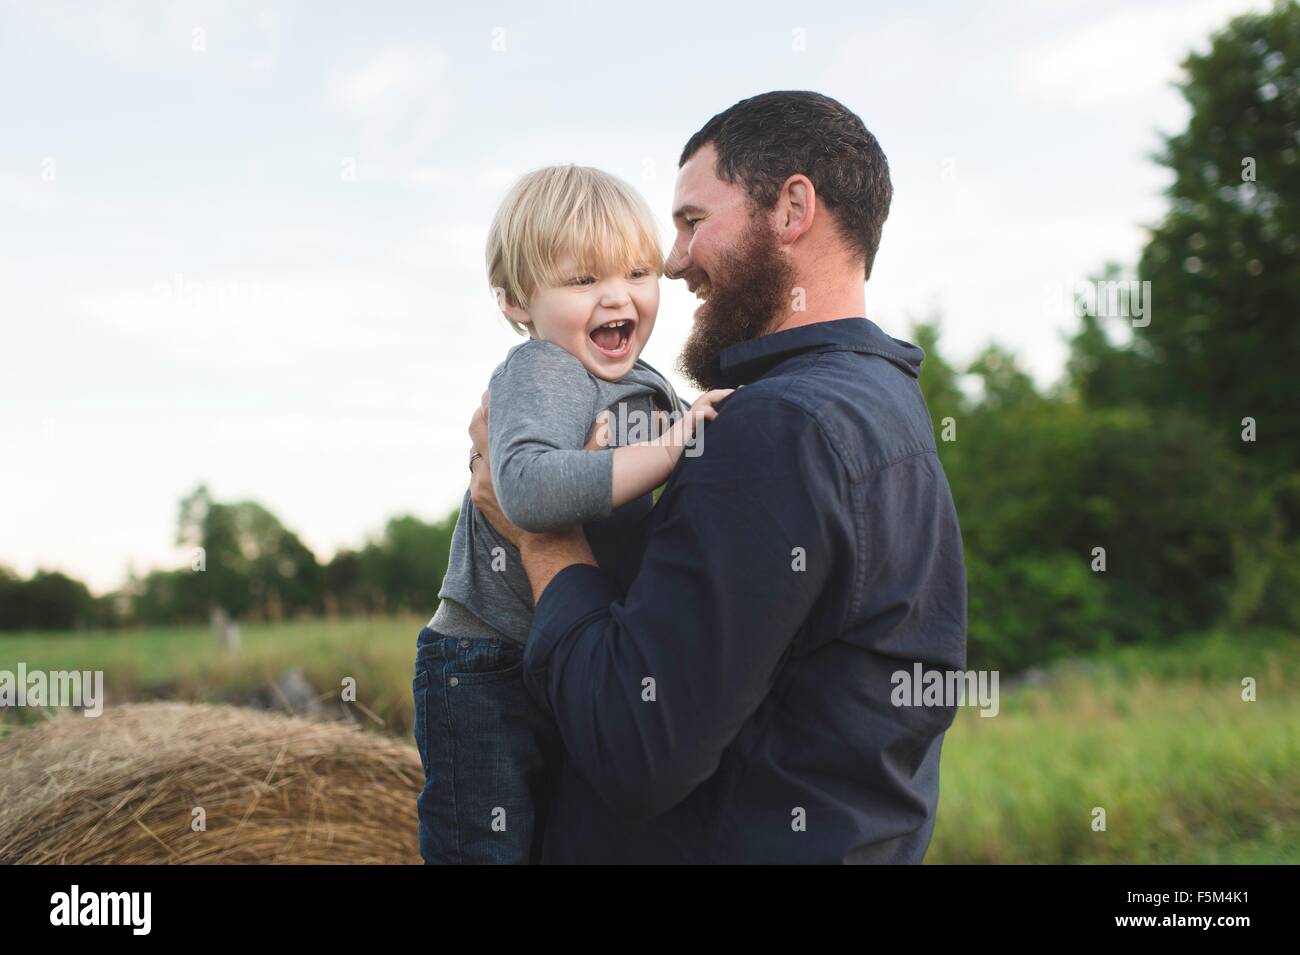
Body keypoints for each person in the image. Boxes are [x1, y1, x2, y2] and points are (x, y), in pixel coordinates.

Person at [469, 90, 968, 863]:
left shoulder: (776, 428)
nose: (672, 263)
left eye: (693, 222)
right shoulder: (887, 405)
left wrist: (541, 538)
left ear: (791, 209)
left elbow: (637, 746)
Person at [413, 163, 730, 864]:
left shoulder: (648, 384)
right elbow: (522, 489)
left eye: (637, 272)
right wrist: (675, 446)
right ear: (516, 304)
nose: (617, 296)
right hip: (485, 663)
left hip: (560, 648)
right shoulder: (544, 369)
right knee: (486, 848)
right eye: (583, 281)